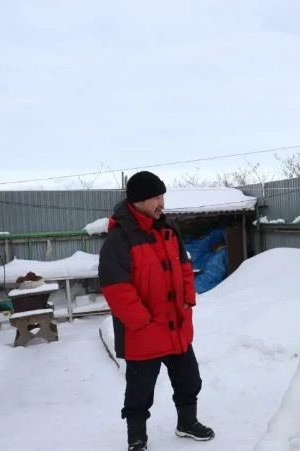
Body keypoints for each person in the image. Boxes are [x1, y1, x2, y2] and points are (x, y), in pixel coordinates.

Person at [98, 170, 214, 450]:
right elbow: (116, 287)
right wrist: (142, 321)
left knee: (189, 379)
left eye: (162, 195)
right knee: (140, 390)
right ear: (138, 201)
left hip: (175, 324)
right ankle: (137, 438)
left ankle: (187, 423)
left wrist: (187, 300)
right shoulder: (120, 238)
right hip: (144, 331)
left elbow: (184, 266)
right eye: (155, 197)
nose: (162, 202)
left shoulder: (168, 228)